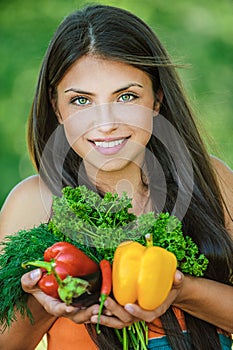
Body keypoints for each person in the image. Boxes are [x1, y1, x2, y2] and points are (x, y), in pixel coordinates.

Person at [0, 4, 232, 350]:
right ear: (56, 107)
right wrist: (44, 302)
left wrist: (183, 290)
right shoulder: (32, 201)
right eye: (81, 101)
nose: (105, 123)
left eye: (126, 96)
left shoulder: (213, 179)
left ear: (157, 99)